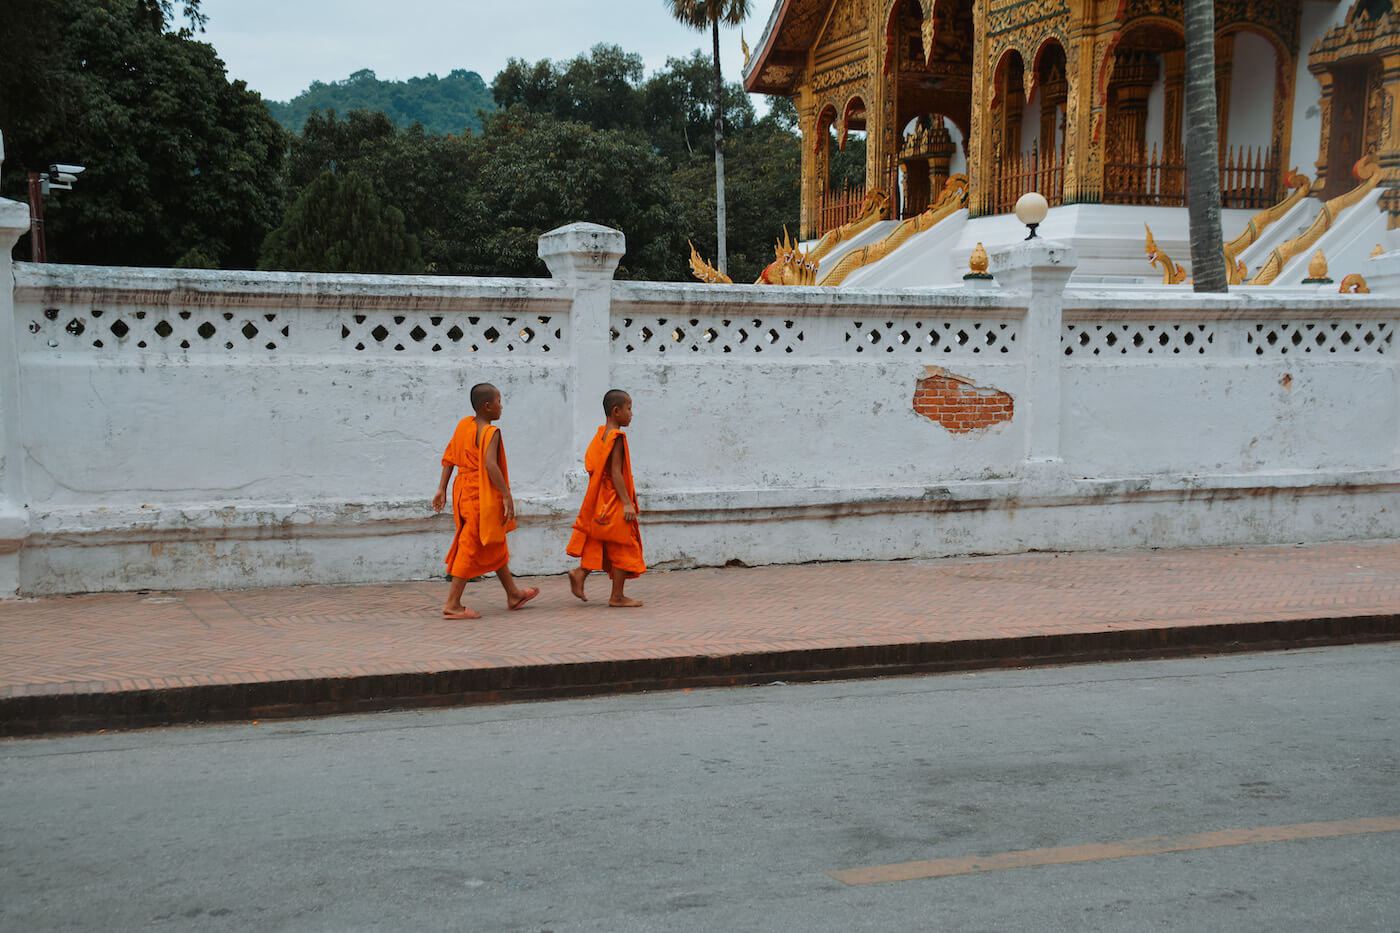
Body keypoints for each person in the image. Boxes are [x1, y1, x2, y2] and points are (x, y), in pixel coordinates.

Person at [432, 383, 539, 619]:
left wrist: (442, 489)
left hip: (462, 491)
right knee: (470, 545)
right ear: (487, 406)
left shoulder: (464, 425)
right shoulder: (490, 432)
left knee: (492, 540)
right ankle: (452, 604)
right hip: (481, 493)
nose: (502, 406)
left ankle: (514, 594)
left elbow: (450, 457)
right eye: (499, 401)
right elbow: (491, 465)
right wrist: (507, 494)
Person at [566, 388, 646, 607]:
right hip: (614, 499)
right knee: (624, 543)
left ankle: (580, 573)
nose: (631, 414)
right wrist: (627, 503)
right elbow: (616, 472)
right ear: (616, 410)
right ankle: (617, 596)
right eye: (629, 409)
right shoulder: (617, 437)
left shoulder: (601, 434)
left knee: (600, 538)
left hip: (600, 499)